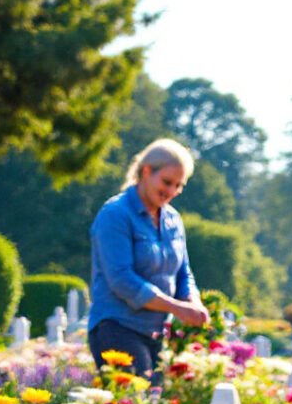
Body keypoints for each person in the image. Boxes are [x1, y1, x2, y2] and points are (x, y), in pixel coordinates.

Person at [87, 138, 209, 378]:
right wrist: (177, 308)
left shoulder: (173, 220)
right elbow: (122, 280)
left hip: (155, 334)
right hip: (117, 328)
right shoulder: (115, 215)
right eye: (166, 182)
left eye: (178, 185)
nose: (172, 191)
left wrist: (193, 303)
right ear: (146, 171)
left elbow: (183, 273)